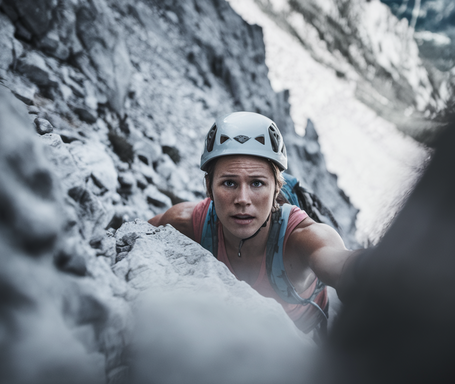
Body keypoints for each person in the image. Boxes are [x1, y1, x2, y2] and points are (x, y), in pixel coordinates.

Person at [149, 111, 360, 338]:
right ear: (209, 187)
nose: (242, 199)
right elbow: (130, 235)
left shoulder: (300, 238)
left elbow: (341, 263)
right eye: (229, 183)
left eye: (257, 183)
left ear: (276, 190)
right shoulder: (185, 222)